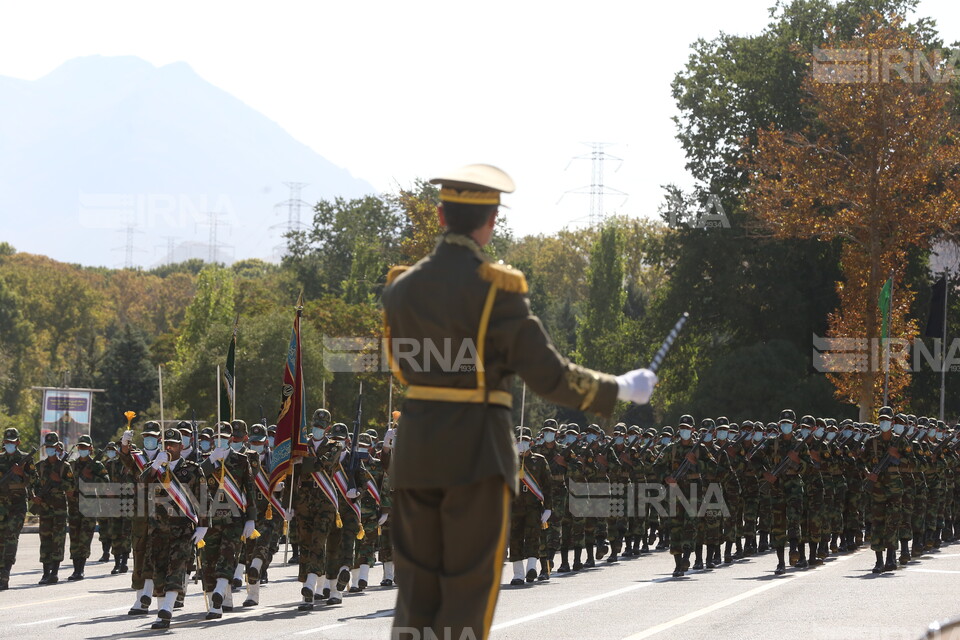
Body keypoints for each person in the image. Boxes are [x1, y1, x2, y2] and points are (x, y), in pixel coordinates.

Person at [381, 164, 658, 640]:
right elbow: (551, 376)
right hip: (475, 453)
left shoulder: (401, 287)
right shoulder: (496, 288)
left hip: (416, 452)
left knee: (416, 593)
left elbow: (402, 368)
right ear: (490, 221)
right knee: (466, 590)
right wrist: (622, 389)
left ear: (442, 215)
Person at [32, 431, 73, 585]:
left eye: (52, 446)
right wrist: (34, 497)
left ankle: (54, 573)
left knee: (58, 539)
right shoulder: (40, 466)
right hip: (44, 508)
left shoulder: (64, 467)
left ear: (57, 447)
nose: (50, 449)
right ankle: (45, 573)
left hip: (59, 509)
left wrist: (58, 481)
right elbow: (33, 485)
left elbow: (71, 489)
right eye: (47, 446)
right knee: (45, 539)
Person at [0, 427, 38, 589]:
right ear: (3, 442)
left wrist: (22, 473)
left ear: (18, 442)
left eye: (13, 442)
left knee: (11, 536)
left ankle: (5, 572)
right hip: (1, 506)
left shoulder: (25, 459)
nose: (10, 444)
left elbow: (35, 480)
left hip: (17, 506)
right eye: (7, 442)